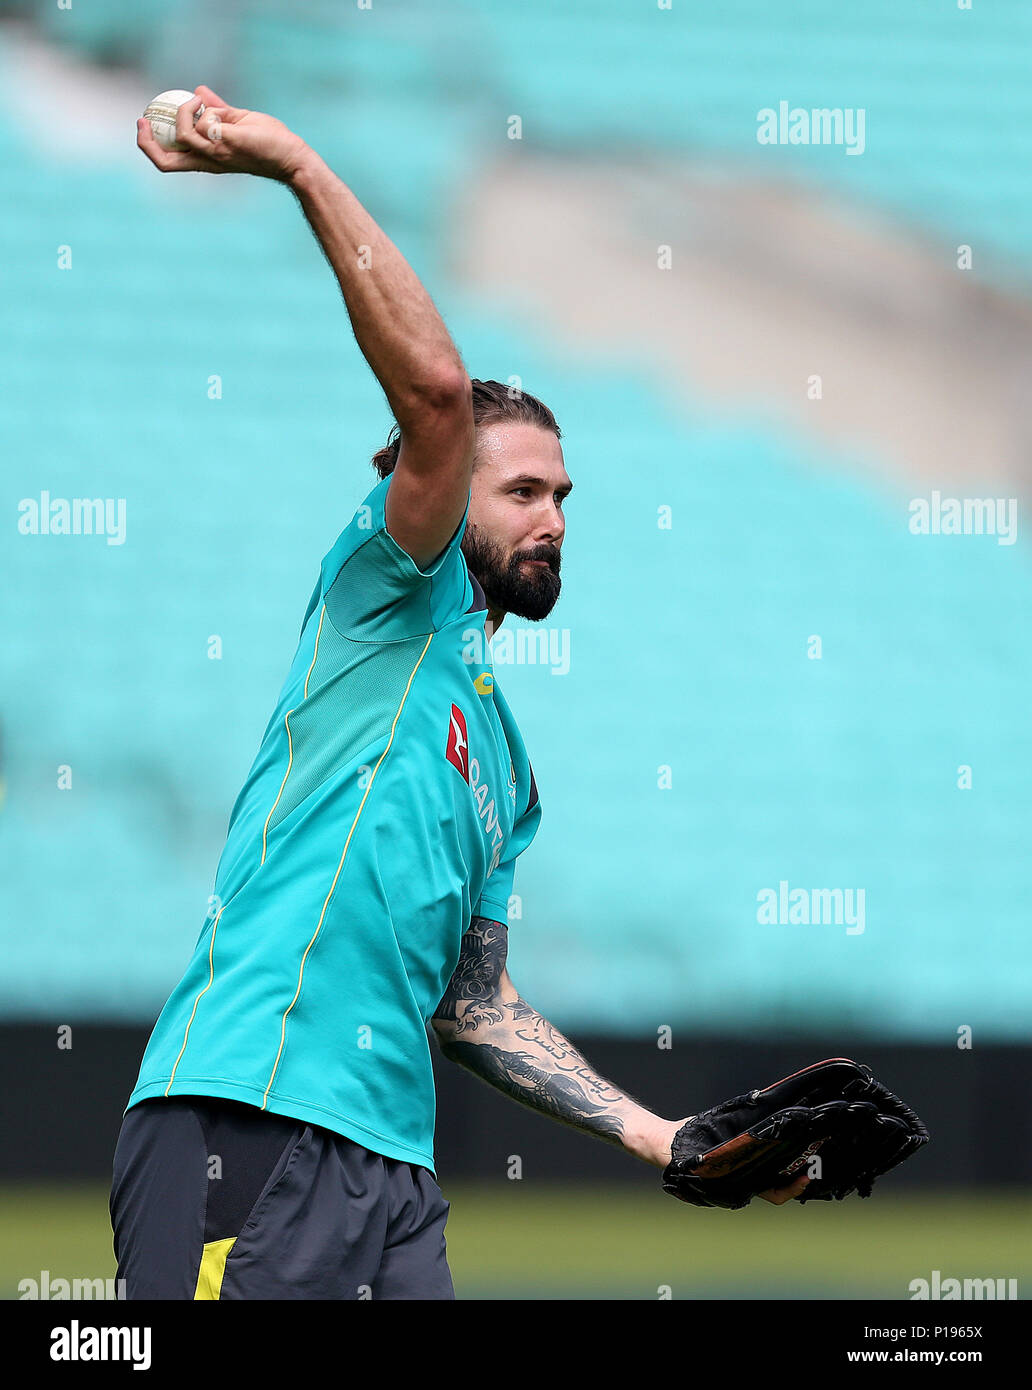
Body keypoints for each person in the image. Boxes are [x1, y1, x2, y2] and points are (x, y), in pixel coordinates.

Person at [111, 87, 810, 1302]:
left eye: (563, 497)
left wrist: (662, 1136)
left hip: (395, 1174)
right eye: (522, 491)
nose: (552, 516)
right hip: (249, 1113)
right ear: (434, 495)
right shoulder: (385, 598)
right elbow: (435, 395)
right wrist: (292, 160)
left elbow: (473, 1005)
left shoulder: (507, 766)